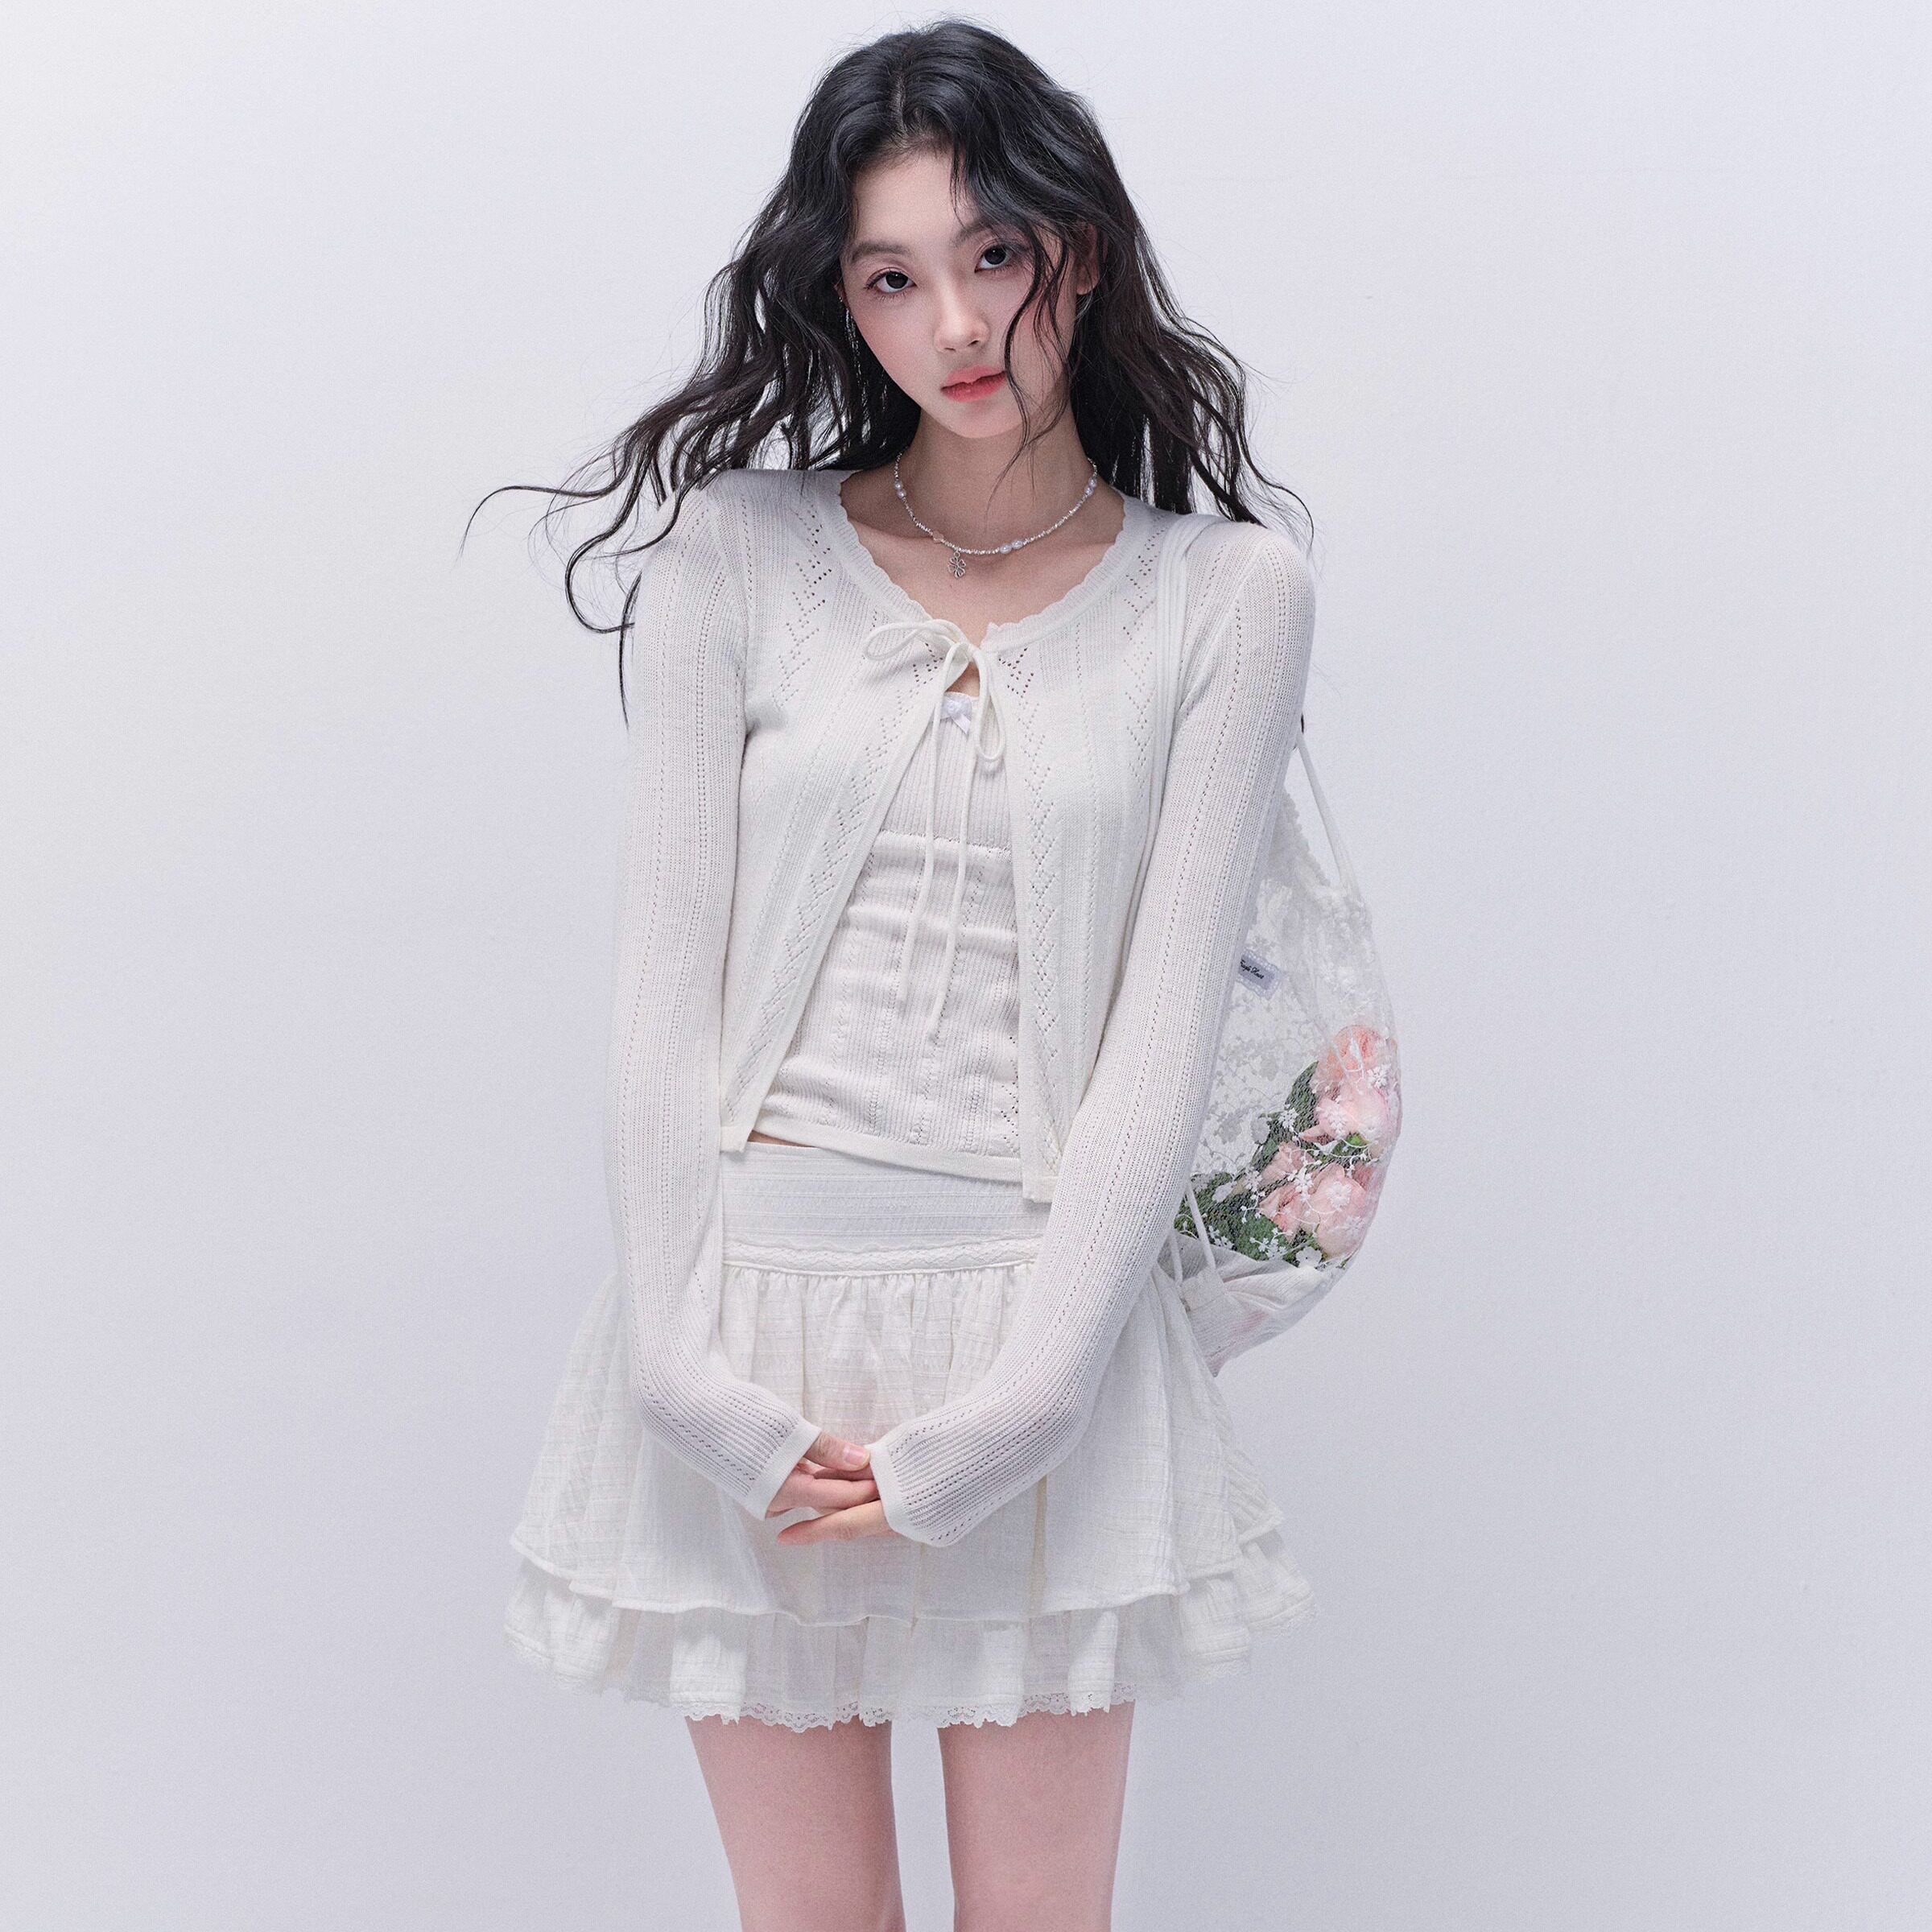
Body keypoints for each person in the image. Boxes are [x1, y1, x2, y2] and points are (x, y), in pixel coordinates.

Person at [489, 21, 1320, 1930]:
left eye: (992, 254)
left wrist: (1030, 1404)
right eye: (889, 277)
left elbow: (1162, 1039)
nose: (951, 322)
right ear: (839, 297)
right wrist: (681, 1368)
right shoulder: (735, 558)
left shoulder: (1226, 597)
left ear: (1077, 254)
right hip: (749, 1325)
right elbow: (659, 1003)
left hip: (1040, 1337)